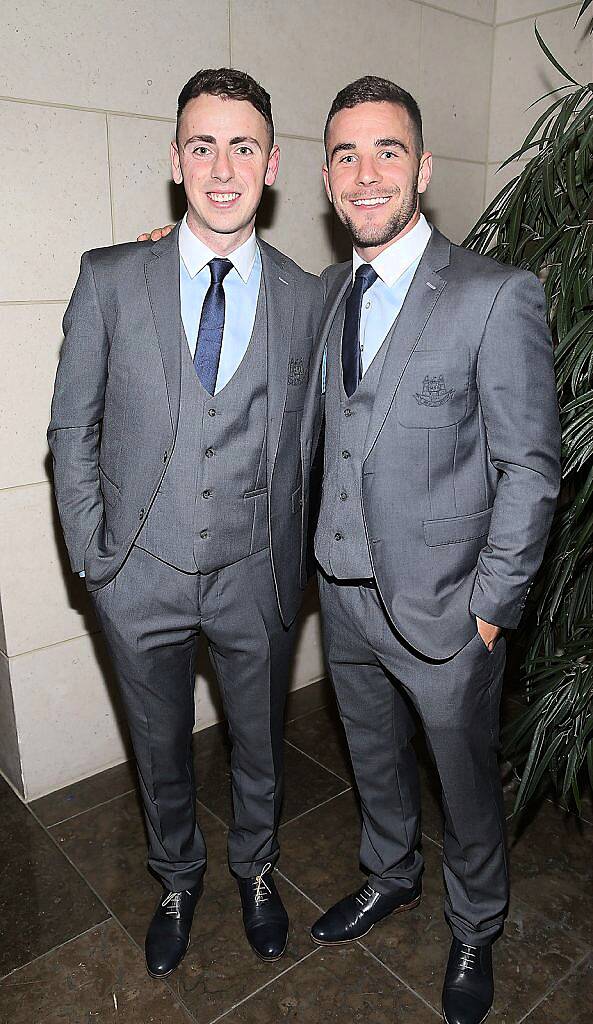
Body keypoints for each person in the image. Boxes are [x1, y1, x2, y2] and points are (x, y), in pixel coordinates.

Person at [48, 68, 322, 979]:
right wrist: (96, 557)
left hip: (258, 577)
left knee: (258, 742)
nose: (221, 166)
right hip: (139, 575)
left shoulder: (310, 300)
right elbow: (70, 426)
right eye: (201, 144)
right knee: (157, 747)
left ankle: (254, 871)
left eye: (242, 145)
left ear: (272, 164)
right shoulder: (111, 277)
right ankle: (176, 878)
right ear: (175, 159)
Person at [300, 77, 561, 1024]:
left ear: (423, 169)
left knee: (463, 781)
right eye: (345, 155)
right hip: (344, 594)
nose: (365, 174)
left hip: (452, 610)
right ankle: (389, 873)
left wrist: (492, 605)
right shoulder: (323, 291)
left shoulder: (496, 296)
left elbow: (530, 468)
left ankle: (477, 921)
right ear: (326, 177)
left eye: (386, 152)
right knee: (370, 758)